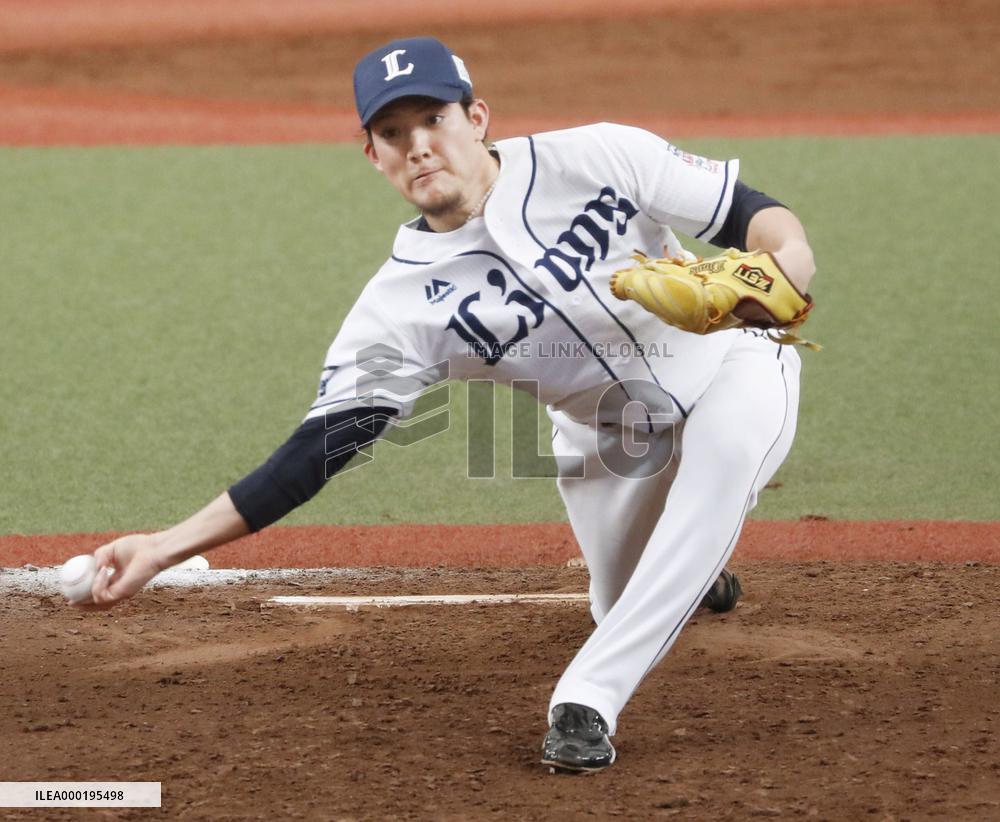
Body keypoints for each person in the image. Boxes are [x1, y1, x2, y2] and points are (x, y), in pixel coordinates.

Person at [77, 36, 815, 774]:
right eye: (393, 134)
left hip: (737, 364)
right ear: (372, 156)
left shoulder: (596, 156)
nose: (418, 147)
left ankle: (588, 698)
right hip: (612, 442)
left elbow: (754, 213)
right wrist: (165, 547)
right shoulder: (400, 310)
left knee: (721, 459)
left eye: (433, 120)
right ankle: (693, 571)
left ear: (478, 118)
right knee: (618, 597)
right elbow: (317, 452)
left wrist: (782, 270)